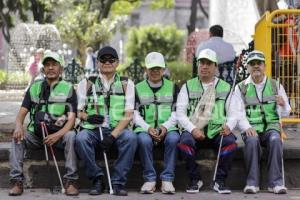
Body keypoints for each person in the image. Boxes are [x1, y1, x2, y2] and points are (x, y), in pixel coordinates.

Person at [9, 51, 79, 196]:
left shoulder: (68, 88)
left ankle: (71, 181)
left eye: (54, 64)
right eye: (47, 65)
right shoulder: (34, 87)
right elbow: (21, 113)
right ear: (43, 69)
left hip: (58, 136)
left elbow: (72, 119)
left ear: (61, 69)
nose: (51, 68)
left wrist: (57, 135)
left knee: (71, 135)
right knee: (17, 137)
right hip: (36, 136)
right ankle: (17, 181)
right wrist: (18, 126)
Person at [75, 46, 137, 196]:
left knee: (131, 138)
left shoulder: (127, 84)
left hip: (117, 129)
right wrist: (87, 117)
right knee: (81, 139)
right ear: (98, 63)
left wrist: (112, 136)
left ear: (117, 63)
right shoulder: (87, 83)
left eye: (111, 59)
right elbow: (77, 111)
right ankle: (97, 178)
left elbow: (128, 114)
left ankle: (117, 182)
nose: (107, 62)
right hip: (94, 129)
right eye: (103, 59)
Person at [176, 48, 238, 194]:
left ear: (215, 66)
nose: (204, 66)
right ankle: (195, 179)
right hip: (195, 129)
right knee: (184, 143)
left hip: (217, 130)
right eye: (202, 63)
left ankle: (220, 180)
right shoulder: (188, 86)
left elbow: (234, 113)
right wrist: (192, 129)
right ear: (198, 65)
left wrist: (229, 125)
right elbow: (180, 113)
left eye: (209, 63)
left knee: (230, 144)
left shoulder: (226, 87)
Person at [235, 50, 291, 194]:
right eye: (252, 64)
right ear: (247, 67)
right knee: (252, 141)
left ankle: (276, 183)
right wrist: (246, 127)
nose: (256, 67)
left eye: (258, 63)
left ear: (264, 66)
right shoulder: (241, 88)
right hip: (251, 128)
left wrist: (283, 104)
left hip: (271, 127)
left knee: (275, 139)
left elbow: (286, 112)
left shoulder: (275, 85)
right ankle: (252, 183)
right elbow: (237, 113)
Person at [134, 52, 180, 194]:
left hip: (168, 127)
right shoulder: (137, 88)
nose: (154, 72)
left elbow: (178, 111)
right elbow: (134, 113)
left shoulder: (173, 87)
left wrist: (165, 127)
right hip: (145, 128)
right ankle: (149, 180)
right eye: (151, 68)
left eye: (158, 68)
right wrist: (148, 128)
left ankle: (167, 180)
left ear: (163, 69)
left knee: (174, 139)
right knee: (142, 140)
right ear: (146, 69)